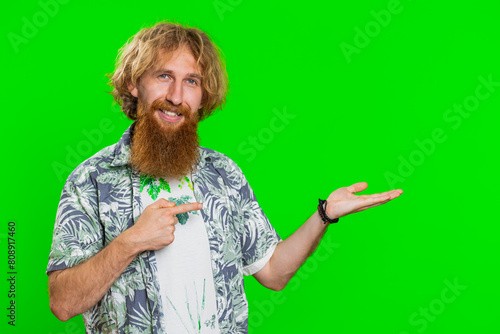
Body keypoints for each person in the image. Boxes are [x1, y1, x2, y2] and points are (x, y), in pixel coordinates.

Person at [47, 21, 403, 333]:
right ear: (134, 84)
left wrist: (325, 215)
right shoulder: (91, 180)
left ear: (203, 97)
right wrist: (132, 241)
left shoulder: (223, 174)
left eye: (191, 81)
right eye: (163, 76)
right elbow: (62, 303)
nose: (175, 96)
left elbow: (274, 272)